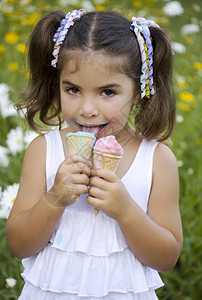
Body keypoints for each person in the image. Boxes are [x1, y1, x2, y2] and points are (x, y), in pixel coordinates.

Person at [6, 9, 183, 299]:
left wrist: (126, 211)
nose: (87, 109)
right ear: (58, 84)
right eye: (73, 89)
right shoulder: (44, 150)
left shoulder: (156, 160)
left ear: (138, 91)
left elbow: (165, 258)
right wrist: (54, 199)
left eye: (108, 92)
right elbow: (18, 245)